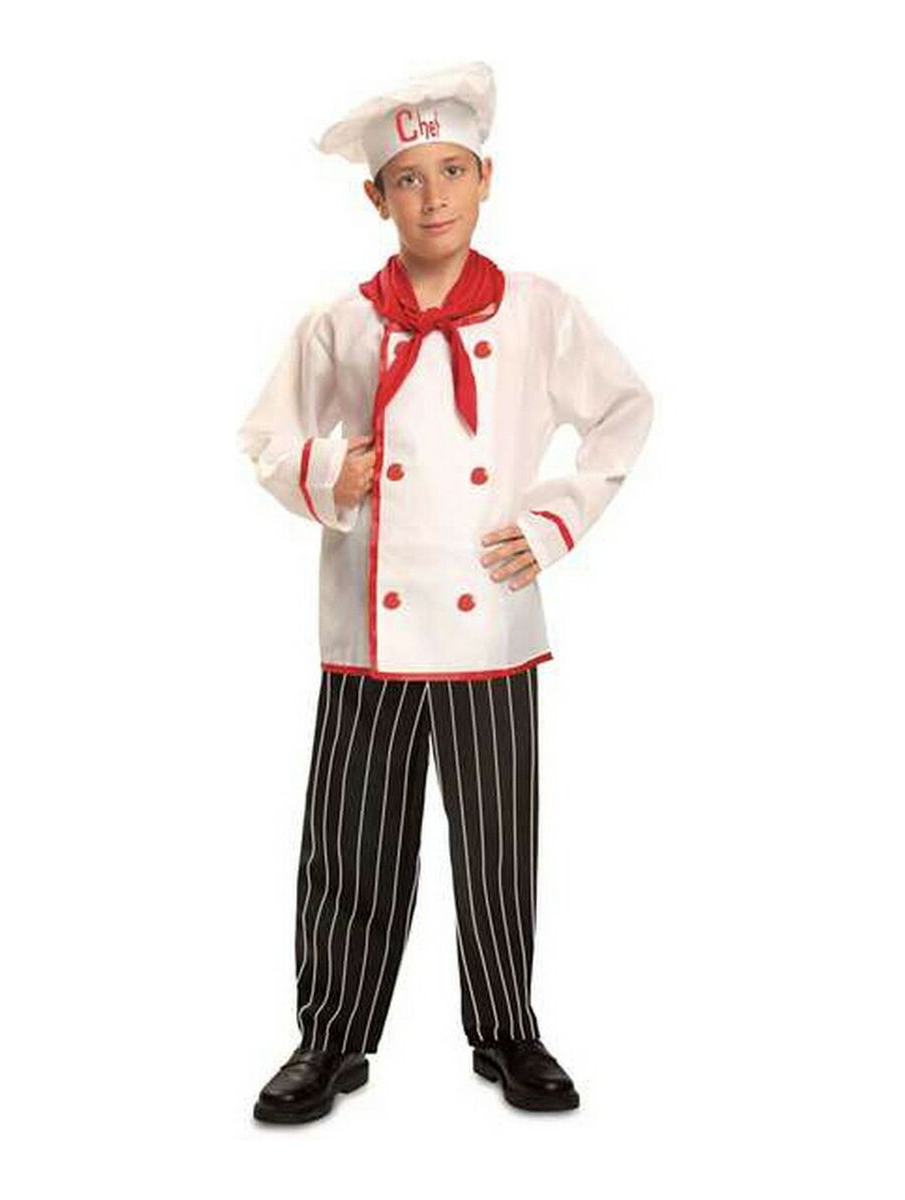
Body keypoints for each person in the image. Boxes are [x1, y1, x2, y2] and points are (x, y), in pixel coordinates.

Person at [240, 61, 655, 1122]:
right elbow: (268, 436)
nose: (434, 197)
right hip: (367, 629)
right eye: (410, 179)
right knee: (350, 842)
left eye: (454, 171)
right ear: (375, 197)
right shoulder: (339, 323)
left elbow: (623, 412)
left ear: (487, 179)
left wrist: (553, 521)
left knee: (498, 842)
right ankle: (330, 1037)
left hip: (490, 621)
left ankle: (507, 1029)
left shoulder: (539, 311)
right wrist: (328, 472)